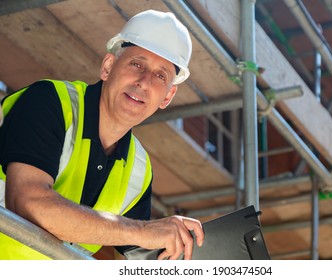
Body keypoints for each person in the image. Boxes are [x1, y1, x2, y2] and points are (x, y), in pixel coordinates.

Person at [0, 9, 204, 260]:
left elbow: (138, 261)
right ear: (108, 67)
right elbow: (27, 202)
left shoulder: (139, 169)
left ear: (167, 97)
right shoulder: (50, 102)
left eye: (160, 75)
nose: (144, 81)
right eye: (137, 64)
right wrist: (141, 230)